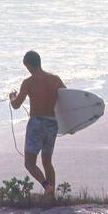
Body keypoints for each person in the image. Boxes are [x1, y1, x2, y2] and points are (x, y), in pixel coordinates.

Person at [9, 50, 66, 202]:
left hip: (37, 124)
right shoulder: (55, 79)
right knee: (47, 161)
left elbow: (16, 105)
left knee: (29, 163)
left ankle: (46, 186)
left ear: (28, 65)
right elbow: (67, 102)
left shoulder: (28, 82)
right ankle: (51, 196)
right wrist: (70, 125)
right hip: (52, 124)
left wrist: (12, 96)